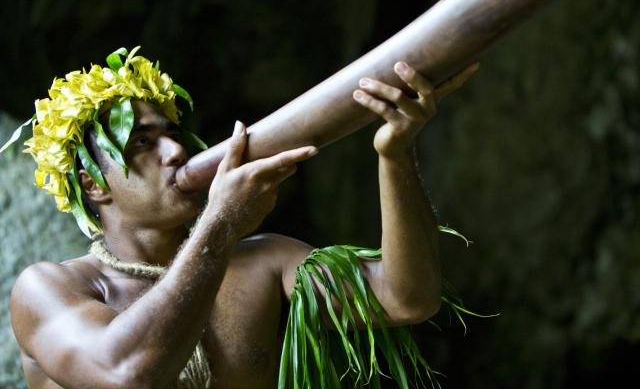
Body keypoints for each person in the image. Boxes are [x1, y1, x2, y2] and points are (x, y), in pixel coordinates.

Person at [8, 47, 478, 388]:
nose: (175, 151)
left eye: (174, 134)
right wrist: (221, 223)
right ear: (93, 184)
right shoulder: (48, 289)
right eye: (141, 143)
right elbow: (127, 375)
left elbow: (407, 298)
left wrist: (395, 155)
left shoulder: (264, 262)